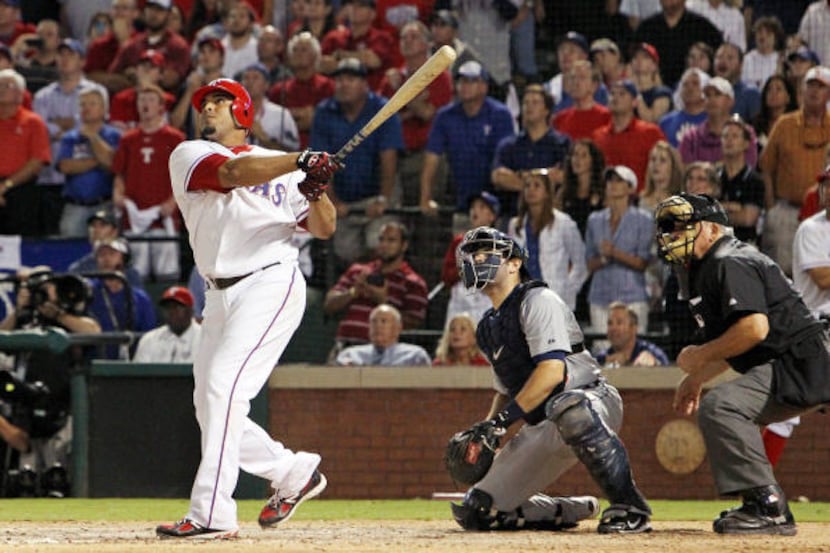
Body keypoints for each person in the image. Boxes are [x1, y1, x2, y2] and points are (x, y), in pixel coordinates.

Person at [157, 77, 340, 539]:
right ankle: (292, 471)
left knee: (223, 388)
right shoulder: (190, 155)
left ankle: (212, 513)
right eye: (205, 104)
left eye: (220, 102)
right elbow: (234, 175)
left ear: (242, 113)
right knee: (209, 403)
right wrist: (299, 162)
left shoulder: (277, 165)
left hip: (270, 281)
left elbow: (324, 228)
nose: (209, 110)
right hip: (217, 293)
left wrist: (315, 188)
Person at [449, 226, 652, 534]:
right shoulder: (487, 328)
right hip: (542, 423)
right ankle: (573, 509)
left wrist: (502, 422)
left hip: (590, 401)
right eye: (472, 256)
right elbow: (506, 390)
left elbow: (552, 373)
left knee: (568, 407)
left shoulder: (538, 299)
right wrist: (489, 431)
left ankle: (630, 505)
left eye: (485, 253)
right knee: (477, 511)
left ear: (514, 263)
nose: (476, 260)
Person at [654, 192, 830, 535]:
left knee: (723, 407)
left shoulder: (728, 259)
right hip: (790, 361)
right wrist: (698, 378)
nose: (671, 235)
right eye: (668, 228)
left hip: (803, 359)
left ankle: (767, 506)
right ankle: (758, 502)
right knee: (723, 405)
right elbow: (737, 342)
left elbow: (753, 329)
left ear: (711, 229)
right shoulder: (700, 267)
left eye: (680, 226)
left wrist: (698, 356)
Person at [0, 267, 101, 498]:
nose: (42, 294)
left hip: (63, 400)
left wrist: (56, 313)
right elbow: (2, 337)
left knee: (59, 474)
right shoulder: (24, 318)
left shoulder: (67, 313)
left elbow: (93, 330)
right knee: (27, 477)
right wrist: (18, 309)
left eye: (47, 288)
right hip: (25, 398)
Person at [310, 56, 403, 265]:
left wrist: (383, 199)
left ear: (364, 84)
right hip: (344, 197)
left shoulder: (381, 108)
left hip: (378, 191)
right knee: (345, 251)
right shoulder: (325, 111)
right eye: (339, 80)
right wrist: (333, 202)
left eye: (351, 79)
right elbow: (320, 163)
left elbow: (389, 159)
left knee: (378, 243)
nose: (343, 85)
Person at [760, 66, 830, 277]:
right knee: (782, 274)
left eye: (821, 87)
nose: (814, 91)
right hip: (787, 212)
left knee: (820, 273)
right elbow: (766, 167)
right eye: (810, 85)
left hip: (825, 214)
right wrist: (772, 207)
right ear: (801, 90)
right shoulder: (785, 124)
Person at [112, 84, 185, 281]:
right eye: (142, 100)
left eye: (151, 100)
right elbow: (120, 173)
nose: (145, 104)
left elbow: (185, 177)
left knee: (167, 273)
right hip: (135, 217)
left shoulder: (175, 138)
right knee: (137, 272)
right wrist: (118, 195)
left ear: (161, 106)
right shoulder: (128, 139)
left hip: (164, 216)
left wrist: (173, 203)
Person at [324, 221, 428, 354]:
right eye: (381, 240)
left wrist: (383, 301)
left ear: (404, 245)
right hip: (345, 348)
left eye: (391, 240)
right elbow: (329, 305)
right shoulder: (358, 271)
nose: (384, 245)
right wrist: (353, 292)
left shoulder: (413, 282)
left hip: (384, 354)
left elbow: (413, 325)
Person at [585, 165, 653, 333]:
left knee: (635, 354)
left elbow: (643, 262)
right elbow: (589, 263)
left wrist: (614, 253)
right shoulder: (594, 220)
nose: (612, 184)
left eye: (619, 180)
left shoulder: (644, 220)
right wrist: (603, 259)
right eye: (610, 180)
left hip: (632, 297)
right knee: (602, 353)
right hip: (600, 297)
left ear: (630, 187)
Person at [507, 170, 588, 312]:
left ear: (547, 192)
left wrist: (568, 290)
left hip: (555, 298)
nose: (531, 190)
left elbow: (580, 263)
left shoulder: (563, 223)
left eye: (537, 186)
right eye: (527, 186)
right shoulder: (515, 225)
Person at [491, 84, 571, 220]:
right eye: (526, 103)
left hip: (551, 216)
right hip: (514, 215)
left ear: (546, 110)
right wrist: (541, 181)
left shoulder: (561, 144)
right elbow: (498, 177)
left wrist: (521, 176)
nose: (529, 106)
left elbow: (564, 177)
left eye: (535, 102)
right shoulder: (509, 145)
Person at [56, 87, 120, 238]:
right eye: (82, 104)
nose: (86, 108)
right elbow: (65, 166)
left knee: (105, 249)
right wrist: (99, 159)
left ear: (104, 109)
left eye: (92, 104)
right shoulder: (70, 137)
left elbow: (113, 165)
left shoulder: (113, 135)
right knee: (70, 251)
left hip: (105, 204)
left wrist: (93, 138)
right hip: (74, 206)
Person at [591, 79, 665, 193]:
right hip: (606, 200)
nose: (615, 98)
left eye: (622, 94)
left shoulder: (650, 133)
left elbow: (665, 167)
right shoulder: (598, 136)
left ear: (635, 102)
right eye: (612, 94)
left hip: (640, 200)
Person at [0, 68, 50, 237]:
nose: (2, 89)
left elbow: (37, 161)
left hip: (22, 190)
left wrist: (5, 186)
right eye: (0, 85)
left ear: (20, 94)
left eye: (8, 85)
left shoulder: (33, 122)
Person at [87, 237, 157, 358]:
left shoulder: (139, 298)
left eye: (112, 254)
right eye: (102, 255)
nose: (106, 259)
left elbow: (149, 336)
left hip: (132, 361)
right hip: (96, 361)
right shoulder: (89, 292)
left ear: (124, 258)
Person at [268, 31, 335, 150]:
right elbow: (274, 125)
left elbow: (328, 122)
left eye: (304, 50)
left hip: (321, 151)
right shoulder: (279, 90)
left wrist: (291, 117)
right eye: (295, 50)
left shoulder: (327, 86)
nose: (298, 54)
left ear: (315, 55)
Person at [633, 0, 723, 88]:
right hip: (651, 92)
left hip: (694, 93)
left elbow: (719, 61)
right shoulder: (646, 28)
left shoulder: (703, 28)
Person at [67, 210, 143, 290]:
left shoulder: (127, 269)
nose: (96, 230)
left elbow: (137, 299)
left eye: (102, 225)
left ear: (114, 231)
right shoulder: (79, 269)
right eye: (93, 225)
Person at [335, 303, 431, 366]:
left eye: (383, 321)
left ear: (398, 328)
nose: (377, 326)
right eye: (373, 322)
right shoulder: (350, 355)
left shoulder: (415, 356)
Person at [718, 116, 764, 244]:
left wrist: (717, 210)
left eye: (734, 136)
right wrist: (733, 207)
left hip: (744, 247)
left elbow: (748, 219)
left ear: (746, 144)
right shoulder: (714, 177)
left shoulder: (754, 180)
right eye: (725, 136)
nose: (729, 140)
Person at [133, 285, 202, 363]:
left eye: (177, 307)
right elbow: (140, 373)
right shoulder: (149, 340)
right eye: (168, 307)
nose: (171, 312)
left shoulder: (206, 339)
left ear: (191, 310)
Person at [595, 301, 669, 367]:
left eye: (619, 322)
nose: (613, 328)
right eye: (610, 323)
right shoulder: (602, 358)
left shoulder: (652, 352)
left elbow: (667, 368)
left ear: (634, 328)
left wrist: (655, 363)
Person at [560, 138, 606, 237]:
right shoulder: (564, 191)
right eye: (575, 155)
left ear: (593, 160)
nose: (577, 160)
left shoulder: (603, 191)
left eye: (583, 155)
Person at [659, 68, 709, 148]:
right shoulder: (666, 122)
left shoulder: (715, 121)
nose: (690, 88)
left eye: (695, 84)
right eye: (685, 84)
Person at [712, 42, 762, 123]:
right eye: (719, 57)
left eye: (730, 58)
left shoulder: (750, 93)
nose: (723, 61)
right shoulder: (704, 91)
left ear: (741, 65)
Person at [639, 141, 684, 214]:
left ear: (672, 167)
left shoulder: (682, 202)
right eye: (653, 159)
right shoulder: (639, 200)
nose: (656, 164)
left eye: (662, 160)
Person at [742, 16, 784, 90]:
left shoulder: (781, 60)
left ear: (775, 38)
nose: (763, 36)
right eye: (759, 32)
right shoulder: (746, 59)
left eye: (768, 33)